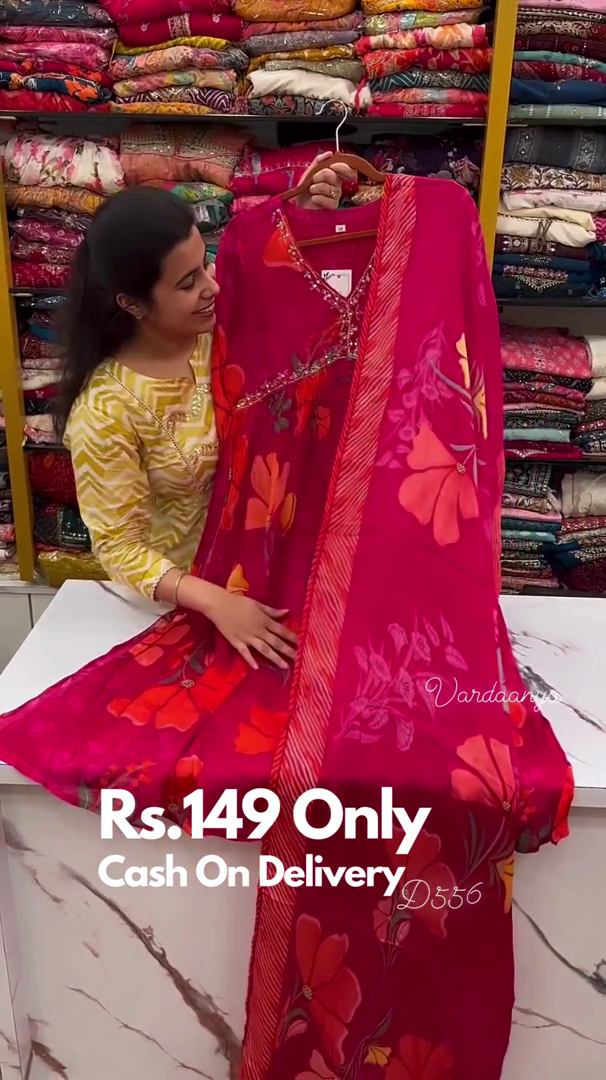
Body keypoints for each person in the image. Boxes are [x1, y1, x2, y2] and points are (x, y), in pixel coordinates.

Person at [57, 153, 355, 673]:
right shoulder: (106, 412)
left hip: (267, 572)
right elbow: (120, 549)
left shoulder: (219, 327)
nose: (212, 286)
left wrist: (304, 210)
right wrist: (217, 602)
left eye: (206, 263)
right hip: (181, 605)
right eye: (187, 282)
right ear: (132, 304)